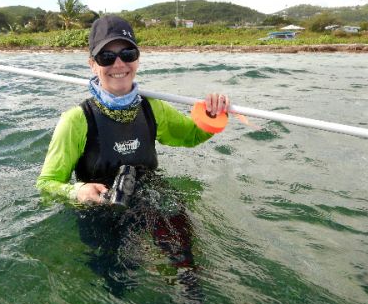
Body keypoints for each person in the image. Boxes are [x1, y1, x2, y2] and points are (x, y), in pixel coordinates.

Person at [36, 15, 230, 204]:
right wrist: (76, 191)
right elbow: (46, 184)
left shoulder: (153, 108)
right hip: (99, 212)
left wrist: (212, 115)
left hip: (154, 202)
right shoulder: (75, 120)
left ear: (138, 59)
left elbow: (192, 135)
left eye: (128, 54)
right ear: (92, 65)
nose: (119, 64)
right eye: (106, 57)